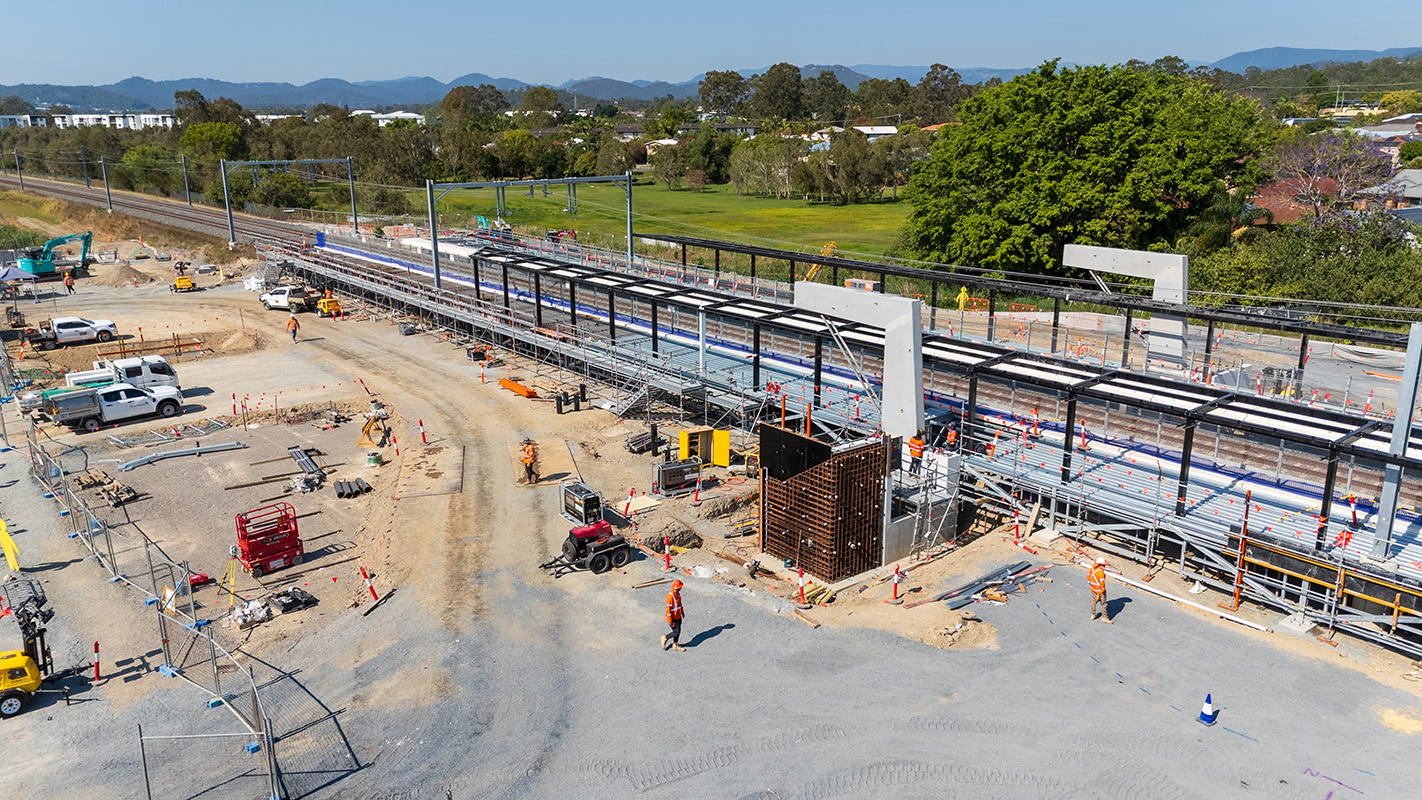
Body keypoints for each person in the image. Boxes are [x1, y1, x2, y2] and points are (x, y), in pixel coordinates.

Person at [661, 580, 686, 652]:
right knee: (676, 632)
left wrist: (682, 612)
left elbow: (679, 604)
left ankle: (675, 645)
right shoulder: (670, 597)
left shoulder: (677, 594)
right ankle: (665, 638)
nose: (681, 588)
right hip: (673, 618)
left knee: (678, 631)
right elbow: (668, 609)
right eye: (680, 587)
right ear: (677, 587)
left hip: (678, 616)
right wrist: (669, 620)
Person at [1089, 557, 1112, 623]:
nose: (1104, 566)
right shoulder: (1100, 572)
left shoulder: (1092, 569)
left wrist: (1092, 586)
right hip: (1100, 591)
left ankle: (1093, 614)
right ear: (1100, 564)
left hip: (1093, 589)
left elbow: (1088, 577)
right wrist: (1101, 592)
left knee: (1094, 601)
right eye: (1104, 565)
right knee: (1103, 603)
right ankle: (1104, 617)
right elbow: (1102, 583)